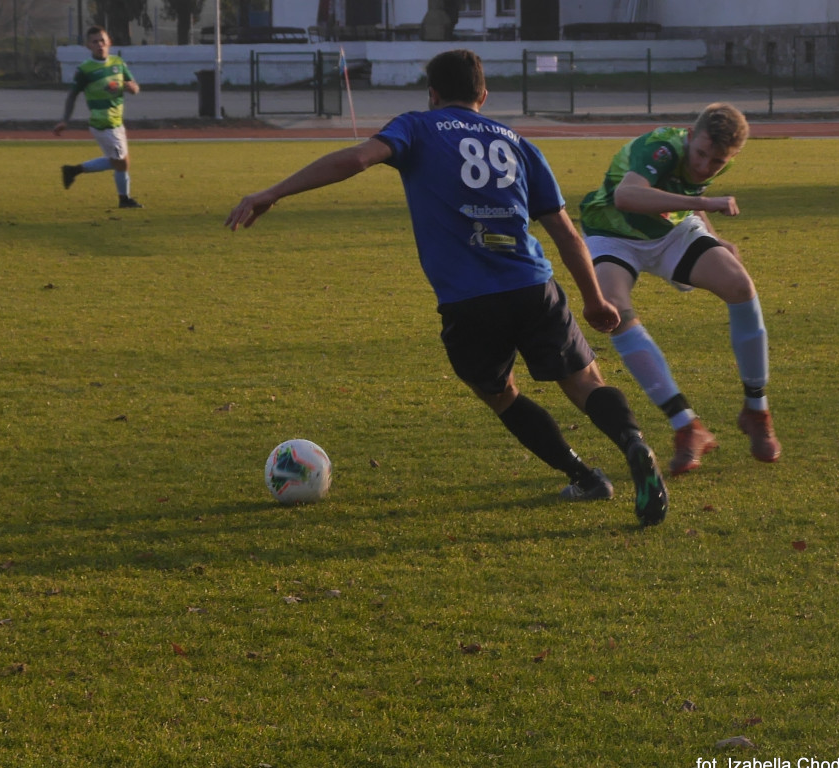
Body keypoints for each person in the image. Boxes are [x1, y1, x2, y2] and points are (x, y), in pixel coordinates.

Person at [225, 49, 668, 526]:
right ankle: (634, 444)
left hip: (468, 298)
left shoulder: (417, 126)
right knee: (584, 383)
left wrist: (272, 192)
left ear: (432, 94)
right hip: (532, 285)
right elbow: (565, 232)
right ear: (483, 93)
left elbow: (356, 159)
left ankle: (583, 476)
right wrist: (595, 298)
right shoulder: (517, 142)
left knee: (500, 394)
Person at [579, 102, 781, 477]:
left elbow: (691, 189)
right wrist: (703, 203)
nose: (705, 165)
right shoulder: (662, 147)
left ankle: (756, 410)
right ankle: (687, 425)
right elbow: (628, 196)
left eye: (718, 161)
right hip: (613, 232)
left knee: (739, 285)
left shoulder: (717, 156)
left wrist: (717, 240)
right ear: (690, 136)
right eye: (701, 153)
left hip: (671, 231)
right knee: (615, 311)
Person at [53, 25, 143, 209]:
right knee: (121, 163)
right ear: (88, 46)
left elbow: (133, 85)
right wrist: (65, 119)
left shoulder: (118, 63)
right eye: (95, 42)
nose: (100, 44)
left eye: (102, 40)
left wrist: (133, 88)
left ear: (109, 41)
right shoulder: (85, 70)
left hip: (117, 122)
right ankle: (124, 199)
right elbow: (72, 95)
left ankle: (73, 170)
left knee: (120, 161)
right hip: (103, 123)